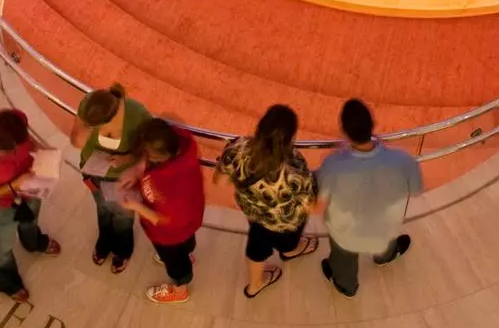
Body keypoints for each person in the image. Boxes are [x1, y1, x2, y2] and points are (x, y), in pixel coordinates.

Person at [315, 99, 423, 298]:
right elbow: (415, 189)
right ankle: (386, 256)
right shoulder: (403, 160)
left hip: (345, 231)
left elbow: (320, 200)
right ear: (373, 124)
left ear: (344, 132)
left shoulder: (332, 165)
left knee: (343, 256)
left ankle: (346, 285)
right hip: (384, 224)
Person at [215, 104, 319, 299]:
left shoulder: (236, 148)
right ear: (290, 138)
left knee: (257, 248)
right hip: (285, 221)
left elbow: (219, 181)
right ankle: (290, 251)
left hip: (253, 213)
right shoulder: (295, 166)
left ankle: (254, 285)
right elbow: (309, 205)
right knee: (288, 241)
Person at [0, 107, 60, 302]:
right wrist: (12, 185)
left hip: (29, 190)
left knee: (31, 221)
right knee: (4, 244)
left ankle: (33, 242)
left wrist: (40, 151)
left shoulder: (14, 120)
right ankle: (7, 280)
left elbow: (28, 139)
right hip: (1, 206)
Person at [119, 117, 206, 304]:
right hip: (188, 222)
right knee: (185, 244)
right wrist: (139, 169)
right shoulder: (178, 146)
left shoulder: (173, 185)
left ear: (157, 157)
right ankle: (186, 255)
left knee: (175, 263)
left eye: (146, 155)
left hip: (169, 234)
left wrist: (135, 206)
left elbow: (165, 219)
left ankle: (180, 290)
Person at [67, 84, 150, 275]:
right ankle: (104, 239)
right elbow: (75, 141)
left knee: (123, 216)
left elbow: (148, 148)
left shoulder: (137, 114)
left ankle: (123, 249)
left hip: (123, 179)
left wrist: (128, 158)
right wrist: (81, 134)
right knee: (102, 208)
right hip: (94, 172)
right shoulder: (87, 105)